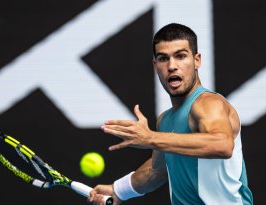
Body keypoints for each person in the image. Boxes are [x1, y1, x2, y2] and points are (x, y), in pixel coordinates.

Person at [88, 23, 253, 205]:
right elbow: (156, 171)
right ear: (155, 65)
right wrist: (118, 190)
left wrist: (151, 138)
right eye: (163, 58)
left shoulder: (208, 103)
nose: (172, 66)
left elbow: (222, 145)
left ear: (197, 60)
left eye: (180, 56)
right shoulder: (165, 120)